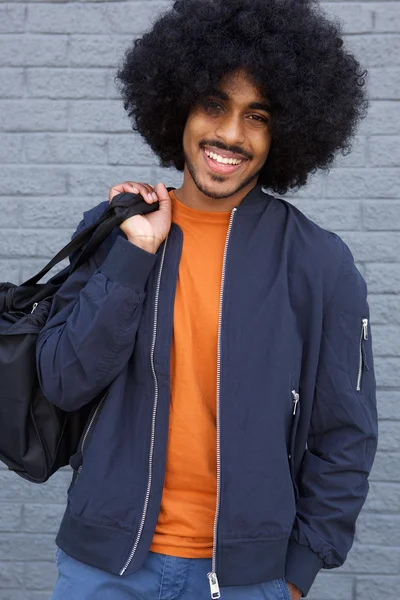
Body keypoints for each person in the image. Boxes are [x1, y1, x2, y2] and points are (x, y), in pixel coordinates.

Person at [37, 0, 378, 598]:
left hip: (249, 579)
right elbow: (64, 380)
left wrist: (297, 574)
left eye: (258, 115)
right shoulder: (117, 230)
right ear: (179, 107)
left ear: (286, 132)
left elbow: (344, 434)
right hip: (105, 568)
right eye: (214, 105)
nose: (229, 134)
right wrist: (135, 252)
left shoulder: (319, 263)